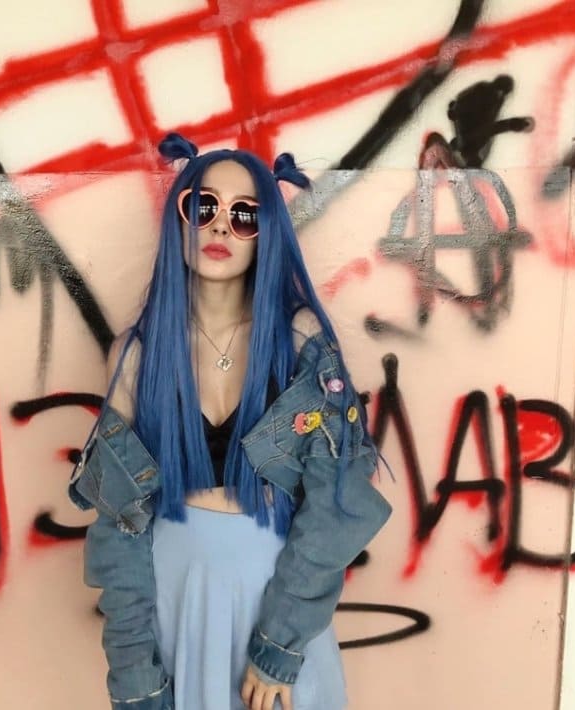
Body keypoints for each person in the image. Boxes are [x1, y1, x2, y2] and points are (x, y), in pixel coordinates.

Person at [69, 133, 392, 710]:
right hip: (176, 597)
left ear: (267, 233)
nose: (221, 226)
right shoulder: (136, 355)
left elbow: (336, 501)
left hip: (276, 596)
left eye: (244, 215)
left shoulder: (301, 344)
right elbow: (119, 529)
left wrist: (280, 644)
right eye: (203, 207)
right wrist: (134, 673)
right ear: (179, 221)